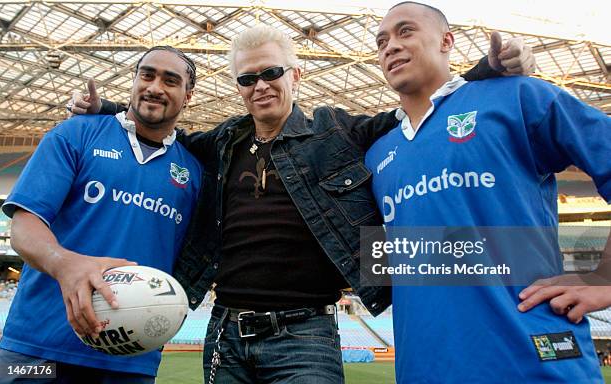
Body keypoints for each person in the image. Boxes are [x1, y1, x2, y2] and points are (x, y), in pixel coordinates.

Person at [69, 24, 534, 383]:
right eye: (247, 78)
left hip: (306, 335)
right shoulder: (224, 141)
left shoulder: (338, 131)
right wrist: (108, 107)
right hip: (224, 331)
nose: (261, 85)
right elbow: (167, 130)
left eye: (271, 73)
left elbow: (416, 108)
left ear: (295, 73)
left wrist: (486, 70)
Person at [365, 2, 611, 383]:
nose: (390, 46)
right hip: (423, 368)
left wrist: (606, 277)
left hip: (530, 362)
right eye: (381, 41)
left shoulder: (516, 97)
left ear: (447, 40)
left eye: (405, 31)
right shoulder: (377, 155)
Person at [0, 46, 202, 383]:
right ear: (134, 80)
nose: (154, 86)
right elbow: (24, 226)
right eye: (147, 74)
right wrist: (65, 264)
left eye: (170, 80)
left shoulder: (194, 172)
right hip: (34, 349)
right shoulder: (76, 133)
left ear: (188, 95)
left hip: (129, 361)